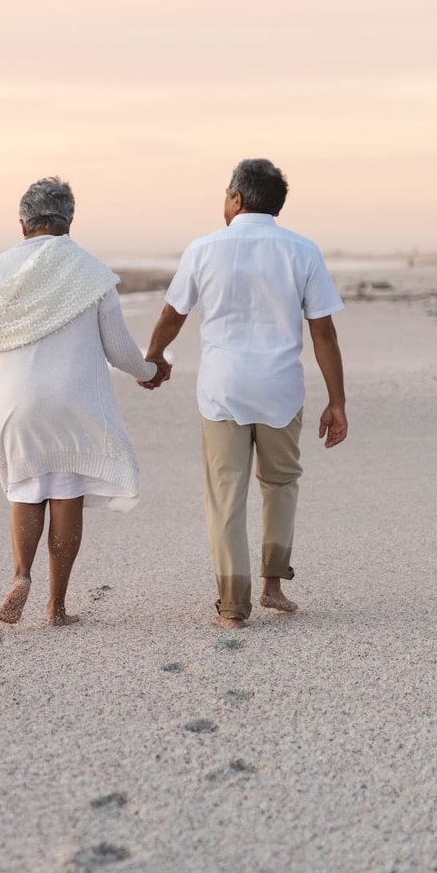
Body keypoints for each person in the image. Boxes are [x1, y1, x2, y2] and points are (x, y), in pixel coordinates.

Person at [141, 158, 347, 628]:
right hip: (280, 389)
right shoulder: (303, 250)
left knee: (225, 496)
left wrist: (155, 359)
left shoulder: (204, 248)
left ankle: (233, 607)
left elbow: (174, 314)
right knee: (280, 484)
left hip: (223, 390)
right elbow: (324, 334)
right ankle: (274, 585)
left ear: (235, 198)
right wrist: (337, 402)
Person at [0, 176, 161, 626]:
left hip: (18, 404)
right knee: (66, 495)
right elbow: (119, 348)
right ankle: (57, 606)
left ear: (22, 224)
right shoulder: (90, 270)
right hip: (75, 402)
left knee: (26, 491)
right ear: (70, 221)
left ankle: (20, 575)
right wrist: (150, 372)